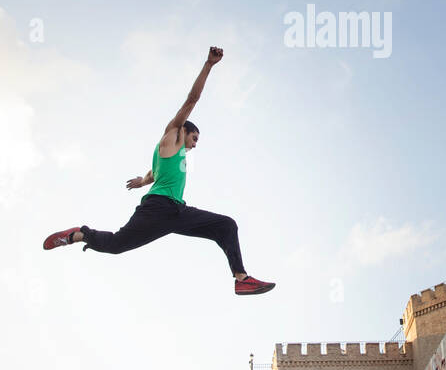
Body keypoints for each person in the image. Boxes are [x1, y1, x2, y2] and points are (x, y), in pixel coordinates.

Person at [42, 46, 275, 295]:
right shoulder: (173, 135)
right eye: (194, 138)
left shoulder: (173, 156)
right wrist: (209, 65)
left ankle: (241, 279)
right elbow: (192, 100)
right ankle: (77, 235)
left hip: (177, 211)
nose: (195, 144)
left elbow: (155, 173)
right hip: (158, 209)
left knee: (226, 226)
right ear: (184, 131)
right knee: (117, 245)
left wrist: (142, 181)